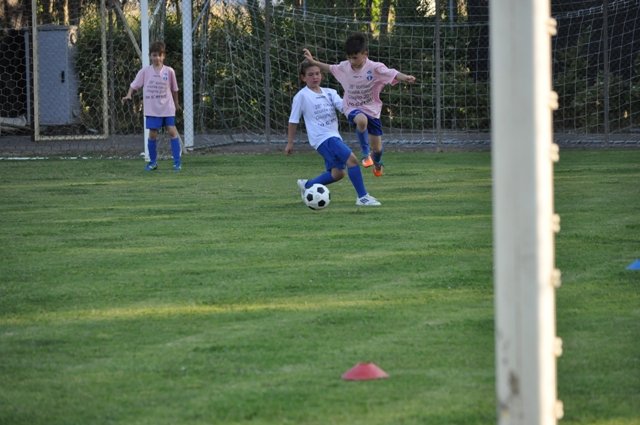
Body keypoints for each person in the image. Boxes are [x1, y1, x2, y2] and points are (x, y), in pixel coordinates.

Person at [303, 32, 416, 177]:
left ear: (365, 54)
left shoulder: (375, 68)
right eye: (349, 57)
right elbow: (329, 68)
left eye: (355, 57)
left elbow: (392, 73)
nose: (351, 61)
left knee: (378, 149)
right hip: (351, 107)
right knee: (362, 120)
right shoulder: (345, 67)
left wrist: (405, 77)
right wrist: (313, 62)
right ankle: (365, 153)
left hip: (372, 110)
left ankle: (377, 162)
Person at [286, 60, 381, 207]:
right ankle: (362, 197)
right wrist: (290, 143)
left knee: (338, 173)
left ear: (321, 75)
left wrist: (358, 112)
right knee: (352, 160)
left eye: (317, 73)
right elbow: (293, 120)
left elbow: (344, 107)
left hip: (334, 137)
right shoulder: (301, 96)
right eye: (310, 75)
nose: (315, 77)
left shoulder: (330, 93)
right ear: (303, 78)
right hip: (322, 138)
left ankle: (307, 185)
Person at [122, 41, 182, 171]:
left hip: (167, 108)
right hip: (152, 109)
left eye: (160, 55)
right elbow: (134, 85)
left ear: (163, 56)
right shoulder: (145, 71)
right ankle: (153, 162)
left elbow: (175, 89)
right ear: (150, 56)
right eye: (154, 55)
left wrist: (176, 103)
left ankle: (177, 163)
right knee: (153, 134)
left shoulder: (169, 71)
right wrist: (128, 95)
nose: (157, 58)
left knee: (172, 132)